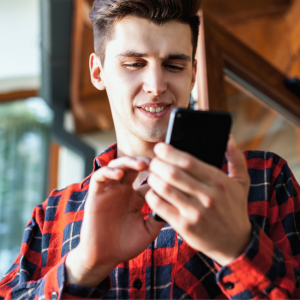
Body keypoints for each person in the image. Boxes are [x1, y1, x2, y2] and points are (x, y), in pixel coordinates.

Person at [1, 0, 300, 299]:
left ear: (193, 74)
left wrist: (238, 248)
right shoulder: (52, 215)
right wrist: (83, 268)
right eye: (134, 63)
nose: (156, 85)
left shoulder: (266, 179)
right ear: (98, 72)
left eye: (173, 65)